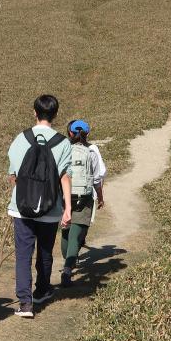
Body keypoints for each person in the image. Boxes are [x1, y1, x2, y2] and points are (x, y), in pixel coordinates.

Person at [7, 94, 72, 318]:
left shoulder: (21, 138)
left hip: (21, 206)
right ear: (55, 115)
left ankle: (25, 303)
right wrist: (68, 208)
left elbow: (13, 175)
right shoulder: (63, 142)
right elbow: (64, 177)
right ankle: (42, 290)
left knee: (23, 254)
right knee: (45, 252)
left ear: (34, 112)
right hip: (50, 207)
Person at [60, 120, 106, 287]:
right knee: (77, 233)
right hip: (83, 197)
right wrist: (100, 197)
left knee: (66, 231)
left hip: (64, 196)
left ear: (70, 133)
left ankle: (67, 259)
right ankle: (67, 269)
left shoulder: (63, 150)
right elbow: (96, 178)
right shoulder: (91, 152)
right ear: (87, 134)